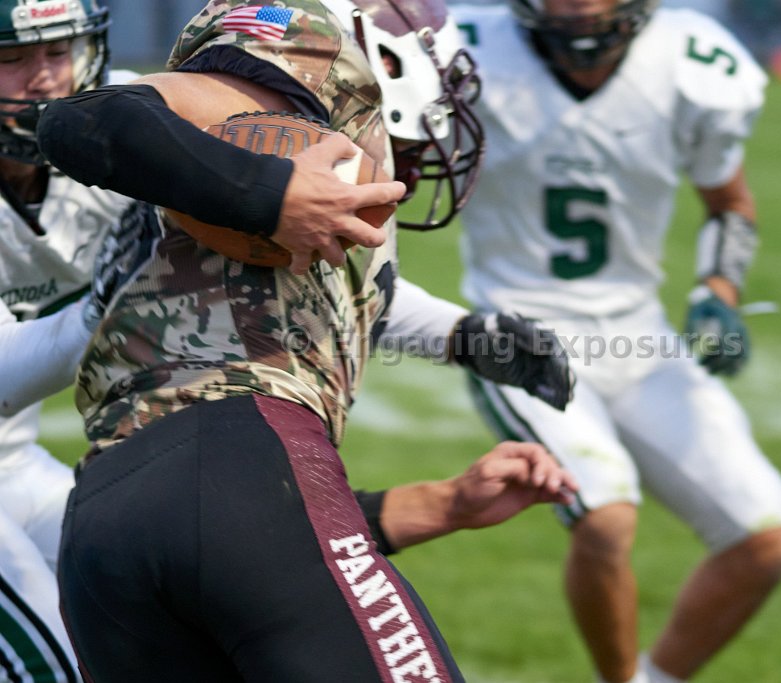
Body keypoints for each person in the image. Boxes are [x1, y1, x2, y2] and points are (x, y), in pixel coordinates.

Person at [36, 1, 572, 681]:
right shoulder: (307, 39)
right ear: (386, 54)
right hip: (233, 448)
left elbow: (311, 292)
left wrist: (464, 340)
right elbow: (89, 119)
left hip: (106, 525)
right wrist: (268, 194)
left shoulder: (249, 170)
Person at [449, 1, 781, 681]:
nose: (578, 6)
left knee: (766, 538)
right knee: (605, 518)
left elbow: (729, 203)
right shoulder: (465, 50)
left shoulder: (692, 61)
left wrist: (718, 292)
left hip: (639, 335)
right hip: (518, 333)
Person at [0, 2, 135, 680]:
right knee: (48, 666)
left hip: (14, 466)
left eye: (59, 50)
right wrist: (100, 309)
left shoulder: (118, 135)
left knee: (163, 598)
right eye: (11, 58)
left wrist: (458, 335)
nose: (45, 77)